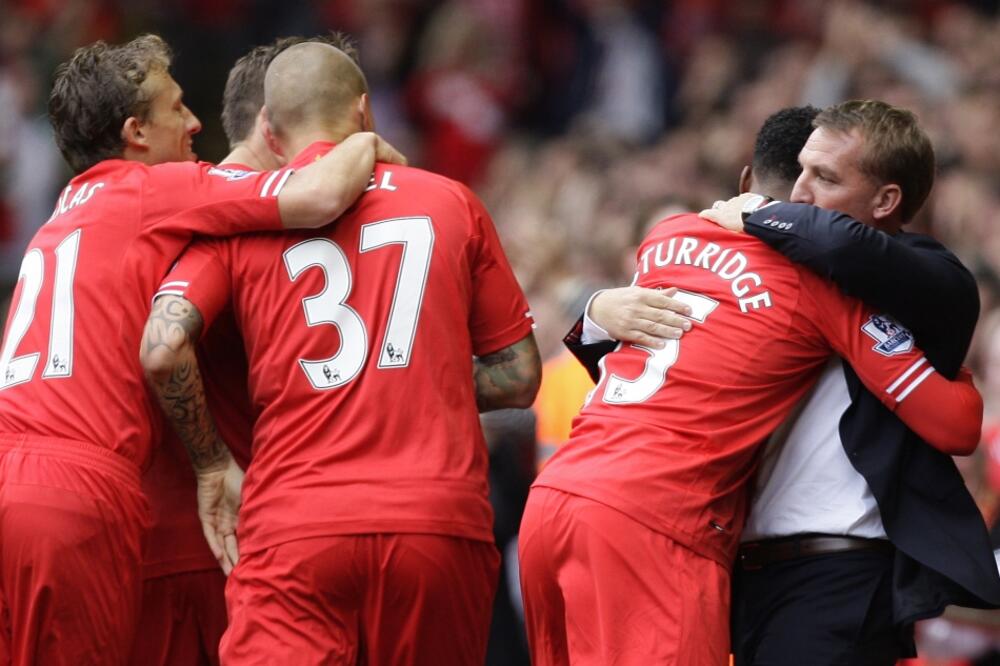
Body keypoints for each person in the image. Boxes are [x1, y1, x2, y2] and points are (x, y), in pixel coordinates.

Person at [517, 104, 984, 665]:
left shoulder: (668, 234)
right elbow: (956, 419)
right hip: (659, 522)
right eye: (804, 176)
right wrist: (955, 372)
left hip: (555, 501)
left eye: (827, 179)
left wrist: (593, 307)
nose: (806, 197)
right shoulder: (819, 286)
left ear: (744, 187)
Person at [0, 34, 404, 664]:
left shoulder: (59, 216)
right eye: (177, 108)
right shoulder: (151, 191)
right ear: (136, 132)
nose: (193, 124)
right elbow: (319, 195)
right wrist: (365, 141)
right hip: (77, 492)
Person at [140, 41, 541, 665]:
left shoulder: (242, 222)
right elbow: (518, 377)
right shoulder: (450, 200)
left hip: (294, 527)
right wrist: (419, 375)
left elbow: (164, 347)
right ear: (366, 111)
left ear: (268, 130)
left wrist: (212, 463)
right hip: (435, 522)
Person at [130, 33, 359, 666]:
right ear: (274, 122)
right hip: (231, 537)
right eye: (331, 119)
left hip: (179, 526)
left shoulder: (184, 207)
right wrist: (213, 463)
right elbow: (163, 347)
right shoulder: (229, 211)